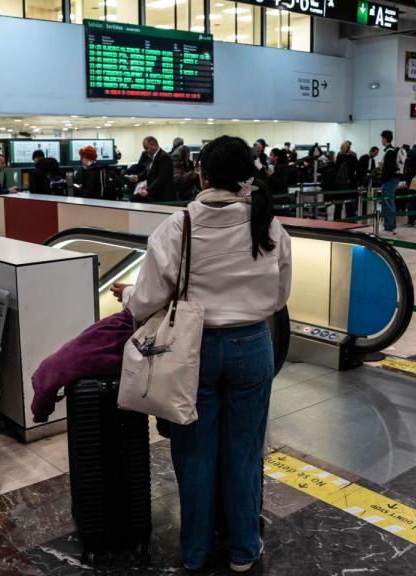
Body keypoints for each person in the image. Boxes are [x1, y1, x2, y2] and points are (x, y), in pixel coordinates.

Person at [112, 136, 291, 573]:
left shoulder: (179, 226)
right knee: (245, 452)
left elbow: (147, 300)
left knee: (194, 454)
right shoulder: (268, 223)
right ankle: (244, 550)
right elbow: (279, 294)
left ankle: (194, 553)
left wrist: (128, 293)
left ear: (202, 174)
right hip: (252, 345)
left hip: (193, 351)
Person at [127, 136, 174, 202]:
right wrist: (137, 177)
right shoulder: (152, 157)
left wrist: (148, 190)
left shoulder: (164, 157)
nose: (145, 151)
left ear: (153, 145)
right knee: (133, 199)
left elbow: (161, 178)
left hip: (162, 196)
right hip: (153, 194)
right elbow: (147, 172)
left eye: (146, 148)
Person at [379, 131, 400, 236]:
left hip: (389, 181)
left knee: (388, 204)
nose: (381, 140)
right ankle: (390, 227)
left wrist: (384, 181)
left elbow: (389, 170)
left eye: (382, 138)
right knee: (390, 203)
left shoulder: (390, 152)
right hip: (392, 180)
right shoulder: (392, 151)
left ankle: (389, 227)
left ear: (386, 139)